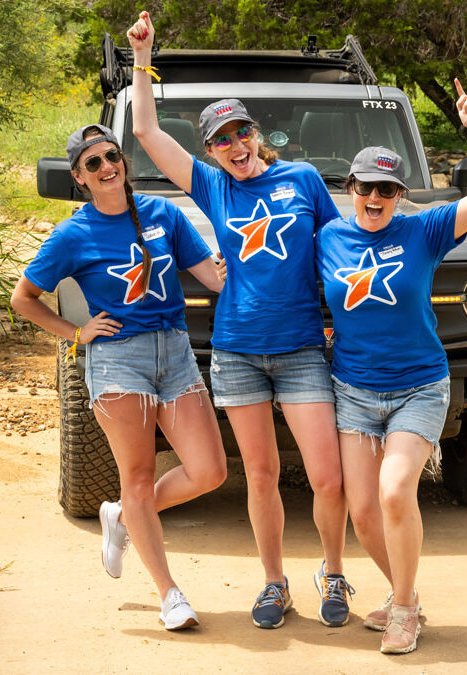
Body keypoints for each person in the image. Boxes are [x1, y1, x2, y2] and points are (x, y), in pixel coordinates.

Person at [127, 11, 352, 630]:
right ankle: (274, 583)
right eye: (221, 139)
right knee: (260, 473)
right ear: (209, 151)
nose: (235, 145)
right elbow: (145, 129)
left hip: (304, 347)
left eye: (241, 131)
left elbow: (340, 247)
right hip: (238, 353)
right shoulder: (211, 187)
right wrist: (145, 57)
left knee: (327, 477)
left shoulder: (303, 179)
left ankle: (333, 571)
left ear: (258, 132)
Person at [10, 124, 228, 631]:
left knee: (210, 471)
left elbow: (212, 278)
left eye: (112, 155)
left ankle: (124, 517)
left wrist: (253, 273)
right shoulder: (72, 234)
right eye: (93, 163)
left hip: (174, 351)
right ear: (80, 178)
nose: (107, 166)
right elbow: (23, 299)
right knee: (138, 476)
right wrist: (76, 332)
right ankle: (169, 594)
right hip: (117, 360)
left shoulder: (163, 213)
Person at [315, 80, 467, 654]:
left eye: (388, 190)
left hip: (419, 386)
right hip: (354, 389)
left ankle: (400, 608)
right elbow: (268, 269)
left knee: (396, 492)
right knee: (363, 511)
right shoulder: (327, 238)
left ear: (399, 194)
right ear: (350, 188)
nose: (377, 197)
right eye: (367, 187)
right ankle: (407, 601)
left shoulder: (422, 229)